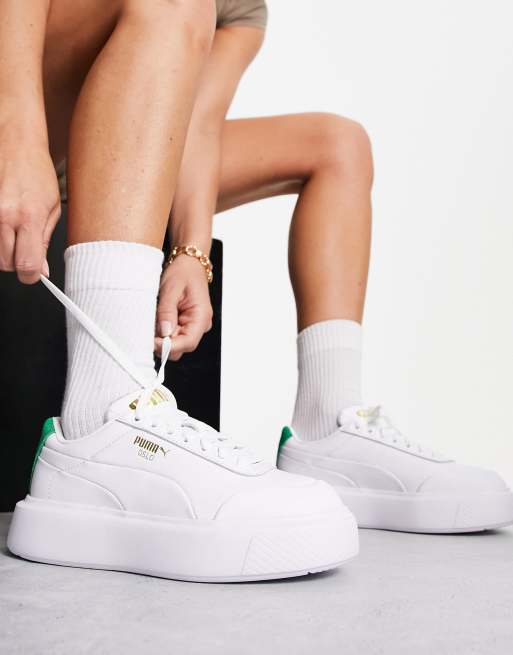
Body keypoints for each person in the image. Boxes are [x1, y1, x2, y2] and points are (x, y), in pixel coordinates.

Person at [1, 1, 511, 582]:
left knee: (339, 145)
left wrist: (192, 250)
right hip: (17, 113)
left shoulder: (242, 9)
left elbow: (195, 123)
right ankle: (98, 424)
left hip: (106, 153)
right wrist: (16, 141)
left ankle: (327, 429)